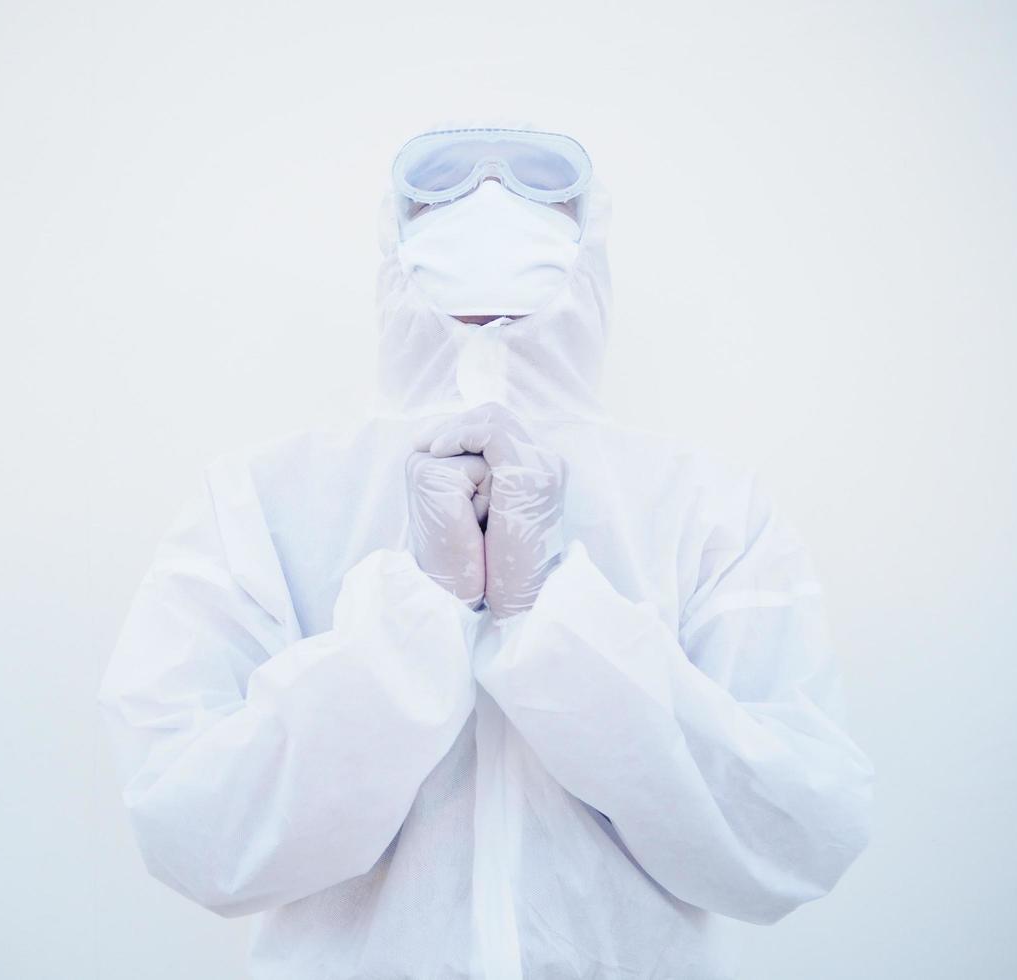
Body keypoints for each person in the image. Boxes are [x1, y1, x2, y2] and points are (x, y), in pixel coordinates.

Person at [98, 126, 873, 979]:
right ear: (393, 238)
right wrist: (412, 616)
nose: (490, 198)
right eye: (443, 188)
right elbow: (198, 837)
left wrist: (555, 616)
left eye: (537, 186)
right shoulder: (262, 500)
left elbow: (795, 841)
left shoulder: (706, 508)